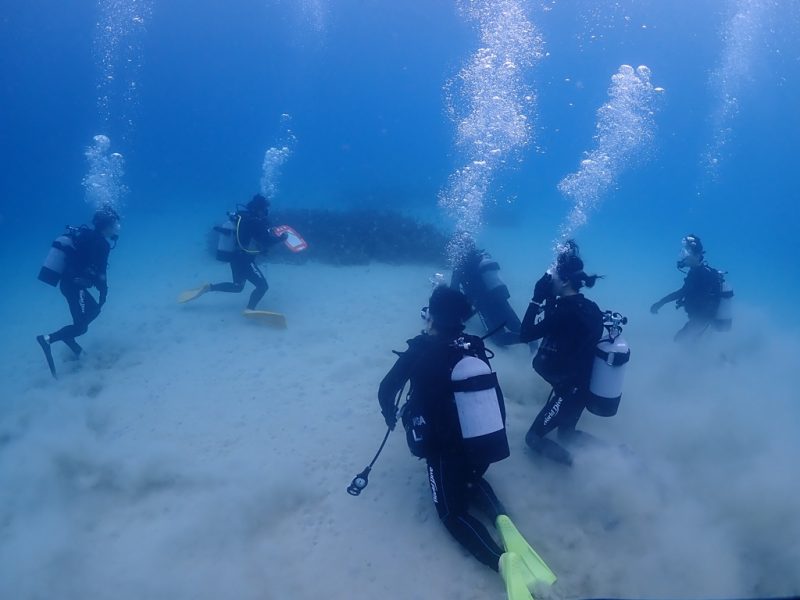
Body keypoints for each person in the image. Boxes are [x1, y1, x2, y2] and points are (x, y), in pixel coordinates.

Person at [378, 286, 511, 571]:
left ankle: (501, 563)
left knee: (451, 513)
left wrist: (389, 416)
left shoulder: (420, 351)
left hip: (447, 452)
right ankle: (502, 517)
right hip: (483, 447)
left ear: (432, 317)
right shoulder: (473, 344)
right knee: (471, 482)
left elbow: (386, 390)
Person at [519, 243, 604, 466]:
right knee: (566, 434)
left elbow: (525, 334)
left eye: (553, 276)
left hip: (569, 390)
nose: (550, 280)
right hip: (584, 386)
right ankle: (615, 456)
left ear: (565, 281)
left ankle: (582, 468)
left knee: (533, 438)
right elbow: (559, 327)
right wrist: (550, 298)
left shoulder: (564, 312)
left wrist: (536, 297)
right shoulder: (589, 307)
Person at [36, 206, 120, 378]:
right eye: (115, 225)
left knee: (91, 313)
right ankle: (48, 339)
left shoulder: (88, 237)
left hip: (70, 284)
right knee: (81, 326)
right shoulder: (100, 243)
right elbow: (101, 271)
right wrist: (103, 292)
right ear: (107, 225)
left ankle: (68, 338)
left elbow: (88, 266)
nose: (116, 229)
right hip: (74, 286)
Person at [179, 194, 287, 310]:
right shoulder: (255, 222)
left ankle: (209, 288)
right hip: (245, 260)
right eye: (264, 209)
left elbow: (249, 237)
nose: (266, 212)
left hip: (235, 257)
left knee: (237, 287)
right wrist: (282, 238)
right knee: (263, 286)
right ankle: (249, 310)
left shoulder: (243, 217)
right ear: (258, 209)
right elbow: (266, 241)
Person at [650, 234, 726, 342]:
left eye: (686, 253)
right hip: (701, 318)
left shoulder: (700, 274)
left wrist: (660, 303)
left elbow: (682, 292)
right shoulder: (697, 272)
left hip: (702, 319)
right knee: (688, 342)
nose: (683, 257)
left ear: (696, 255)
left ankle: (718, 357)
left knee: (681, 341)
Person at [450, 238, 524, 347]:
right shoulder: (481, 257)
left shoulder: (459, 268)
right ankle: (532, 341)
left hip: (484, 304)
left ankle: (522, 342)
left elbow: (454, 292)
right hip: (499, 297)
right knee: (517, 327)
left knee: (498, 339)